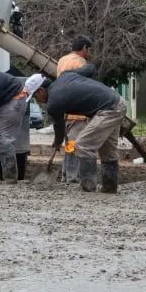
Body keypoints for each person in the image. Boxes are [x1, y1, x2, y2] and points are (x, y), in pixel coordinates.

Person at [40, 69, 126, 193]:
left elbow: (59, 127)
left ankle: (88, 188)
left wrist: (57, 142)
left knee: (83, 145)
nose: (37, 100)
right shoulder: (66, 76)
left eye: (36, 96)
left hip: (107, 110)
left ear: (41, 90)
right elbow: (91, 69)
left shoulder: (52, 103)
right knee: (108, 151)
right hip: (116, 101)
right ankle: (109, 189)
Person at [55, 35, 93, 182]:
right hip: (78, 112)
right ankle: (72, 177)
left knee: (69, 144)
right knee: (74, 145)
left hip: (65, 110)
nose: (89, 54)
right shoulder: (81, 63)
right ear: (84, 48)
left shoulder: (62, 61)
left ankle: (66, 174)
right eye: (89, 50)